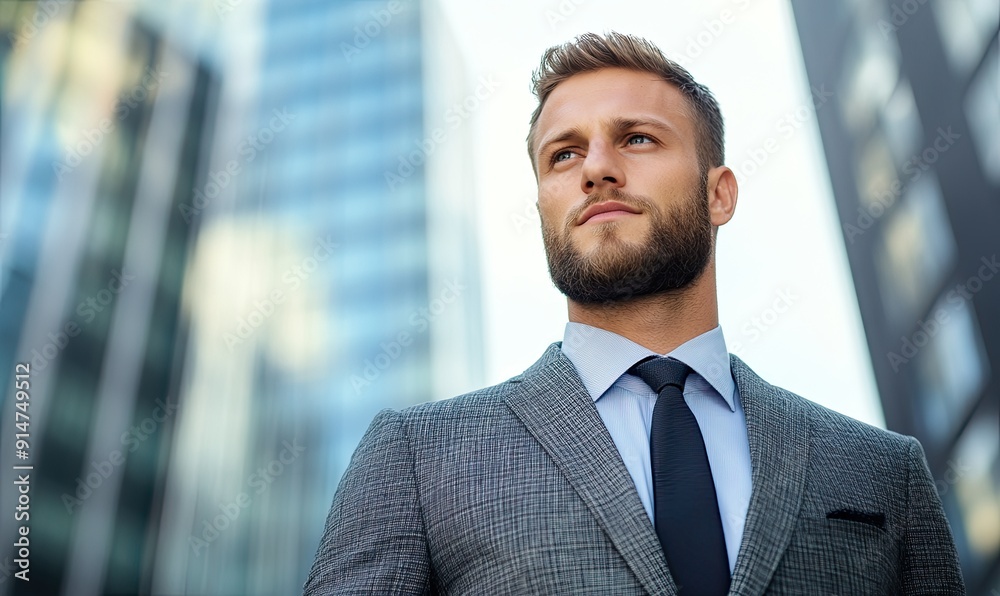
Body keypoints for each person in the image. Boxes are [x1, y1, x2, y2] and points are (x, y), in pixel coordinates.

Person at [304, 32, 965, 595]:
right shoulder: (419, 459)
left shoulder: (884, 473)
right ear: (543, 206)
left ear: (719, 194)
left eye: (637, 139)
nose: (596, 169)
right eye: (563, 154)